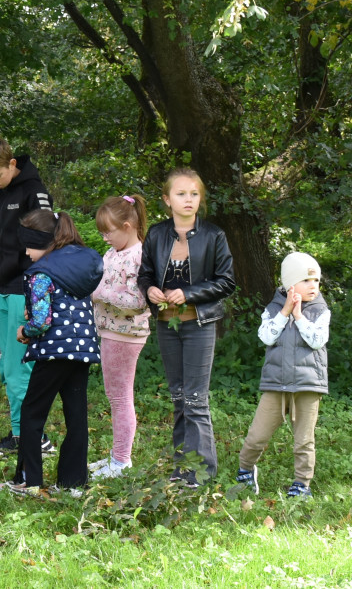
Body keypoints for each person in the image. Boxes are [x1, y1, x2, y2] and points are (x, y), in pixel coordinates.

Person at [138, 167, 236, 486]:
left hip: (199, 324)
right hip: (168, 326)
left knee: (195, 397)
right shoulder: (155, 234)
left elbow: (226, 281)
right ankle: (181, 467)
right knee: (178, 396)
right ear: (167, 200)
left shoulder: (213, 236)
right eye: (181, 194)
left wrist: (189, 293)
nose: (189, 199)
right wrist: (150, 291)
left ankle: (202, 471)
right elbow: (145, 274)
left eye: (194, 194)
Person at [2, 210, 103, 495]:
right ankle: (73, 482)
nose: (26, 252)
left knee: (32, 414)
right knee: (76, 416)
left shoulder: (41, 273)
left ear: (43, 242)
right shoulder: (78, 266)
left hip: (52, 353)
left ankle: (29, 480)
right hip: (82, 350)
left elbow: (41, 321)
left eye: (29, 245)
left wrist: (25, 330)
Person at [0, 136, 55, 454]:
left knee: (20, 366)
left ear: (12, 164)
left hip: (24, 288)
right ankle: (21, 430)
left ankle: (32, 437)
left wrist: (36, 292)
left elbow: (48, 240)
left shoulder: (35, 192)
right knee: (5, 366)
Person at [236, 252, 329, 498]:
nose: (314, 286)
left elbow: (318, 341)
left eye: (317, 281)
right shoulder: (273, 309)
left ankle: (302, 483)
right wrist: (285, 312)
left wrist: (299, 316)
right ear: (290, 285)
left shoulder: (320, 310)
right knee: (257, 435)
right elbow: (266, 337)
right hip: (276, 385)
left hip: (307, 386)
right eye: (307, 281)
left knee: (304, 441)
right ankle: (245, 469)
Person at [90, 195, 152, 479]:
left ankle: (121, 461)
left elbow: (137, 300)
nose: (104, 237)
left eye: (108, 232)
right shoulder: (114, 253)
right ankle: (116, 456)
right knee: (114, 396)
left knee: (119, 397)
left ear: (127, 226)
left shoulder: (138, 255)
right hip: (111, 331)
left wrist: (96, 292)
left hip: (126, 335)